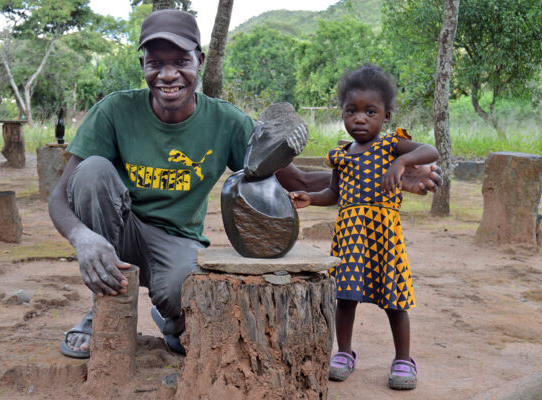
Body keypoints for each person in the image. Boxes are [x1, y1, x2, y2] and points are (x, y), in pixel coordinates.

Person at [50, 10, 443, 360]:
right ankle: (98, 311)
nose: (168, 75)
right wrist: (83, 238)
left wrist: (385, 174)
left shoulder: (227, 122)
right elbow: (61, 196)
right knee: (93, 171)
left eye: (180, 62)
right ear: (142, 64)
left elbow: (300, 180)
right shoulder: (116, 111)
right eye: (155, 63)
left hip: (177, 240)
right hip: (120, 230)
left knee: (181, 294)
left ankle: (171, 318)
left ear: (199, 62)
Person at [289, 64, 439, 390]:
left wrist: (402, 162)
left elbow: (431, 150)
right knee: (345, 297)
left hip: (385, 237)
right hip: (350, 237)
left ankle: (403, 359)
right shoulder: (341, 156)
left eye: (370, 112)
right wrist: (310, 198)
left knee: (394, 299)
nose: (360, 118)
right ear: (342, 113)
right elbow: (334, 194)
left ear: (385, 116)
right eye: (351, 111)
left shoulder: (391, 147)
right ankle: (343, 353)